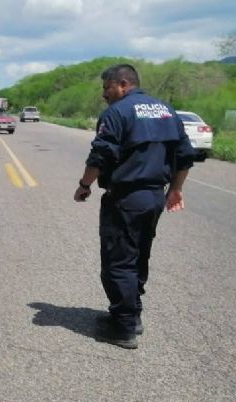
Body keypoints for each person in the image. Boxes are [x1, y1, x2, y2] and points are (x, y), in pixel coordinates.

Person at [73, 64, 194, 349]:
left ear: (124, 84)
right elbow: (185, 155)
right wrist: (176, 189)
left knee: (118, 261)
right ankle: (132, 314)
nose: (104, 95)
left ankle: (123, 328)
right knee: (139, 255)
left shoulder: (117, 112)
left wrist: (85, 184)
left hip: (126, 197)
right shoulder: (167, 111)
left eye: (107, 88)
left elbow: (101, 154)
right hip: (154, 197)